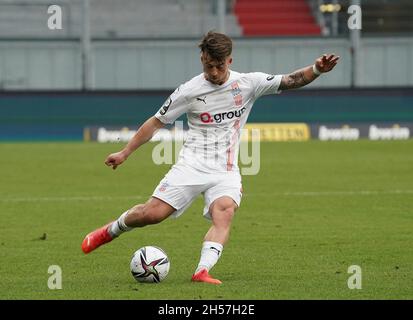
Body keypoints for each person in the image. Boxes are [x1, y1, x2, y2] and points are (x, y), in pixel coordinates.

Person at [81, 31, 339, 284]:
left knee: (224, 211)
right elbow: (156, 122)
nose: (213, 72)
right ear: (202, 59)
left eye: (218, 66)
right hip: (191, 165)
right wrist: (125, 152)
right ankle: (111, 230)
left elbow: (291, 80)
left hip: (225, 170)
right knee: (153, 214)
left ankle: (202, 271)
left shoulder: (248, 83)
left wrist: (316, 69)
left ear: (229, 61)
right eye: (207, 66)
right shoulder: (189, 91)